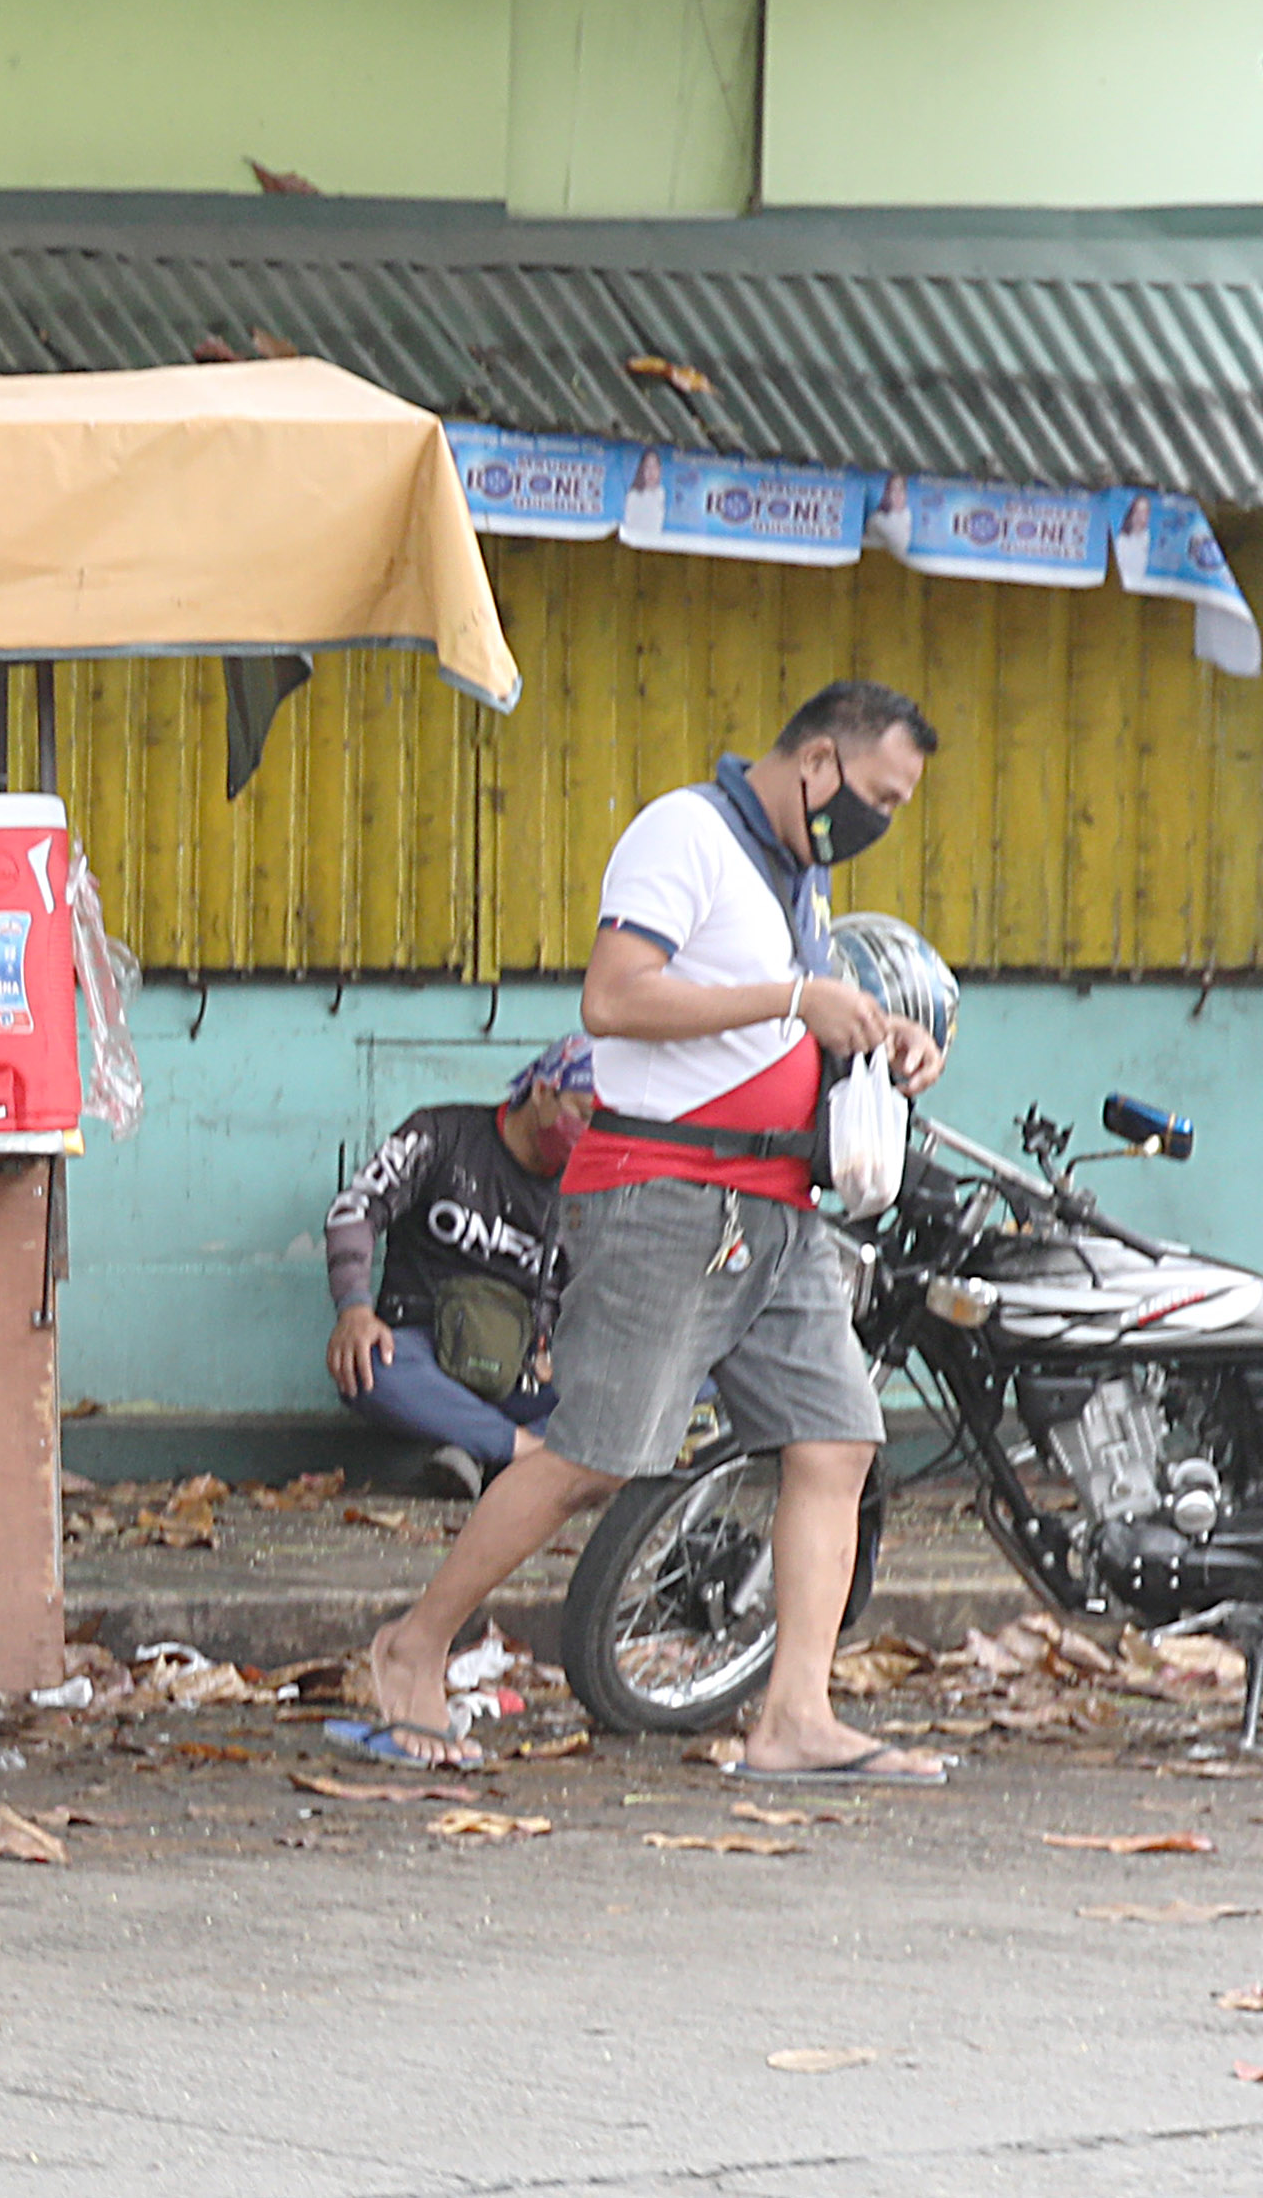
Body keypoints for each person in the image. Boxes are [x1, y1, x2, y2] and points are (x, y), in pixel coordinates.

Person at [351, 681, 951, 1781]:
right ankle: (414, 1641)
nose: (880, 820)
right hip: (667, 1194)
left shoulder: (796, 876)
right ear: (817, 758)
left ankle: (794, 1716)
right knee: (590, 1457)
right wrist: (790, 997)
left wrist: (884, 1037)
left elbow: (781, 1022)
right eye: (877, 794)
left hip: (779, 1206)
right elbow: (616, 999)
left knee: (837, 1441)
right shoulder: (687, 832)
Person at [324, 1035, 596, 1497]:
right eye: (583, 1115)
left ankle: (480, 1449)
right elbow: (354, 1211)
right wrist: (354, 1309)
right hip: (431, 1357)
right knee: (367, 1364)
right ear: (543, 1091)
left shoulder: (596, 1187)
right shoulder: (440, 1133)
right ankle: (533, 1456)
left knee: (691, 1382)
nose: (590, 1134)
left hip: (529, 1375)